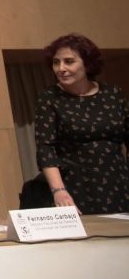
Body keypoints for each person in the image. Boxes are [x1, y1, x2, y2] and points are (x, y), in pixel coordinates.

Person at [35, 33, 128, 214]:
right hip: (74, 186)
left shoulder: (113, 94)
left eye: (69, 61)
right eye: (56, 62)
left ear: (88, 64)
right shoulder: (49, 98)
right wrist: (59, 191)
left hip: (118, 181)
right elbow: (45, 149)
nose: (61, 68)